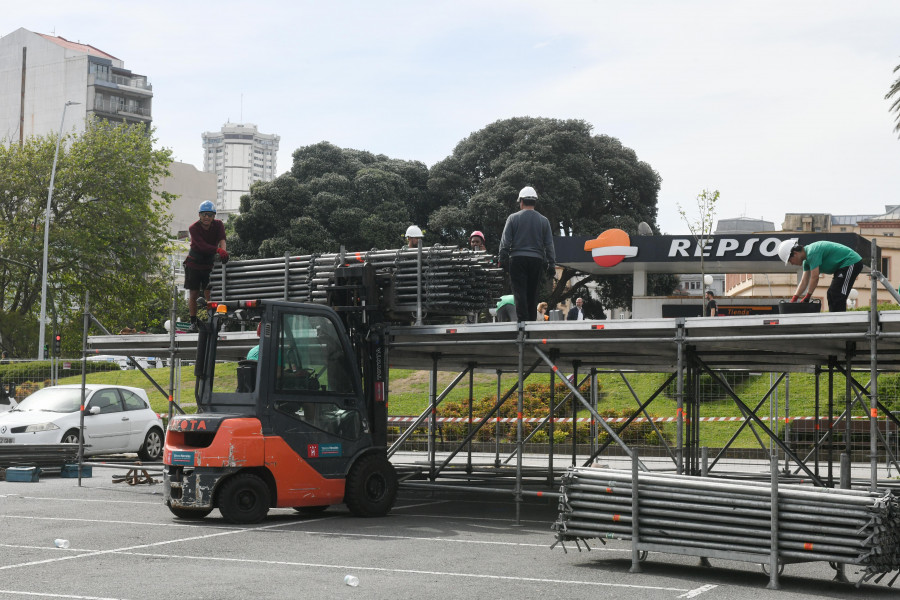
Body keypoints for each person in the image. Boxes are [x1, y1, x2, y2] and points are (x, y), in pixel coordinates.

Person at [498, 186, 556, 322]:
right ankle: (531, 323)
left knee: (519, 293)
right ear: (535, 202)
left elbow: (505, 242)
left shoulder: (513, 218)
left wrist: (502, 260)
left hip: (517, 260)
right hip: (536, 260)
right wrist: (551, 264)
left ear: (521, 201)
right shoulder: (544, 221)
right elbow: (549, 245)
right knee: (532, 293)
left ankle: (522, 324)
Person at [777, 238, 863, 312]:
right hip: (842, 266)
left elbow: (815, 278)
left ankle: (840, 322)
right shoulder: (806, 261)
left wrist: (808, 296)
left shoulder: (812, 252)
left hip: (851, 262)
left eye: (790, 260)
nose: (791, 263)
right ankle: (835, 319)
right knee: (831, 293)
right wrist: (794, 298)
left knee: (837, 293)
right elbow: (804, 282)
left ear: (795, 253)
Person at [184, 201, 228, 332]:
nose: (206, 217)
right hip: (194, 263)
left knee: (210, 293)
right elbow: (202, 246)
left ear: (214, 216)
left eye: (209, 214)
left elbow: (222, 239)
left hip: (209, 264)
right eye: (204, 214)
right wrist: (218, 251)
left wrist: (223, 252)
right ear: (199, 215)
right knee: (194, 293)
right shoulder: (193, 228)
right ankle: (193, 322)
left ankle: (213, 319)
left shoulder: (219, 225)